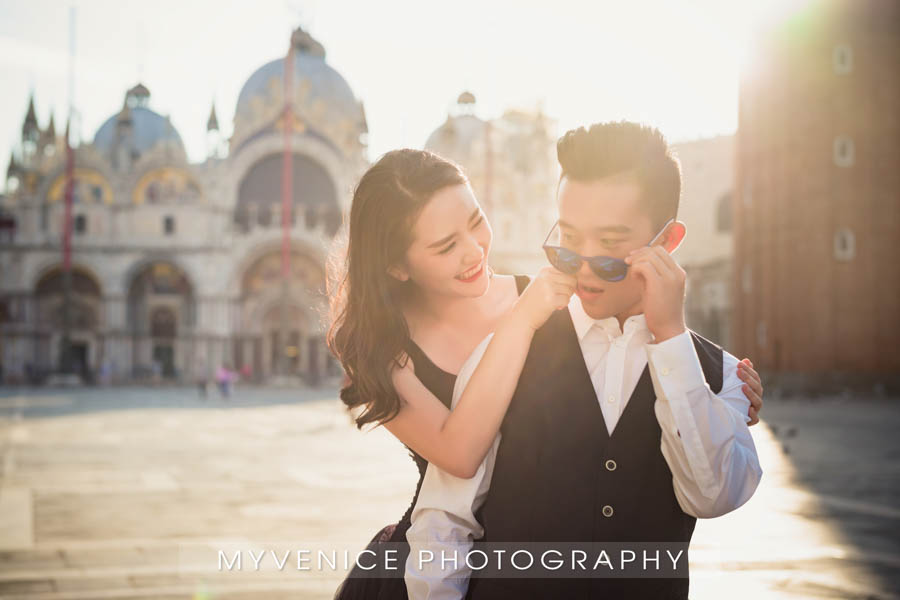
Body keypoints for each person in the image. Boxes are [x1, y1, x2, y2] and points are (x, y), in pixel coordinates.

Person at [327, 148, 764, 599]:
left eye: (476, 221)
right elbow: (458, 457)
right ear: (397, 266)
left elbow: (623, 326)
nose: (474, 251)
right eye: (445, 246)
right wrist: (521, 319)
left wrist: (715, 385)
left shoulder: (545, 295)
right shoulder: (382, 353)